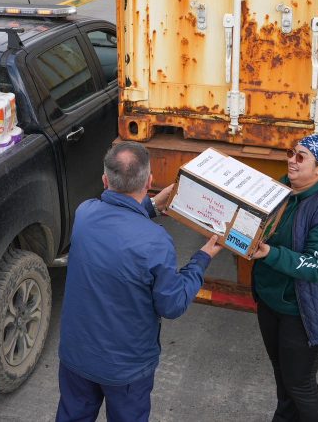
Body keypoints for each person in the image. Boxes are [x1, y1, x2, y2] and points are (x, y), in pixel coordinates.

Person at [56, 142, 223, 422]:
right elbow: (172, 305)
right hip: (126, 369)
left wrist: (151, 206)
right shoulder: (155, 241)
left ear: (105, 180)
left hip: (77, 357)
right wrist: (201, 259)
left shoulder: (84, 214)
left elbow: (116, 219)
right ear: (149, 181)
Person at [250, 134, 318, 422]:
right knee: (284, 379)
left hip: (304, 310)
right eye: (291, 152)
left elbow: (315, 267)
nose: (291, 160)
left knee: (300, 385)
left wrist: (269, 253)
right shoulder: (281, 190)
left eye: (301, 157)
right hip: (271, 301)